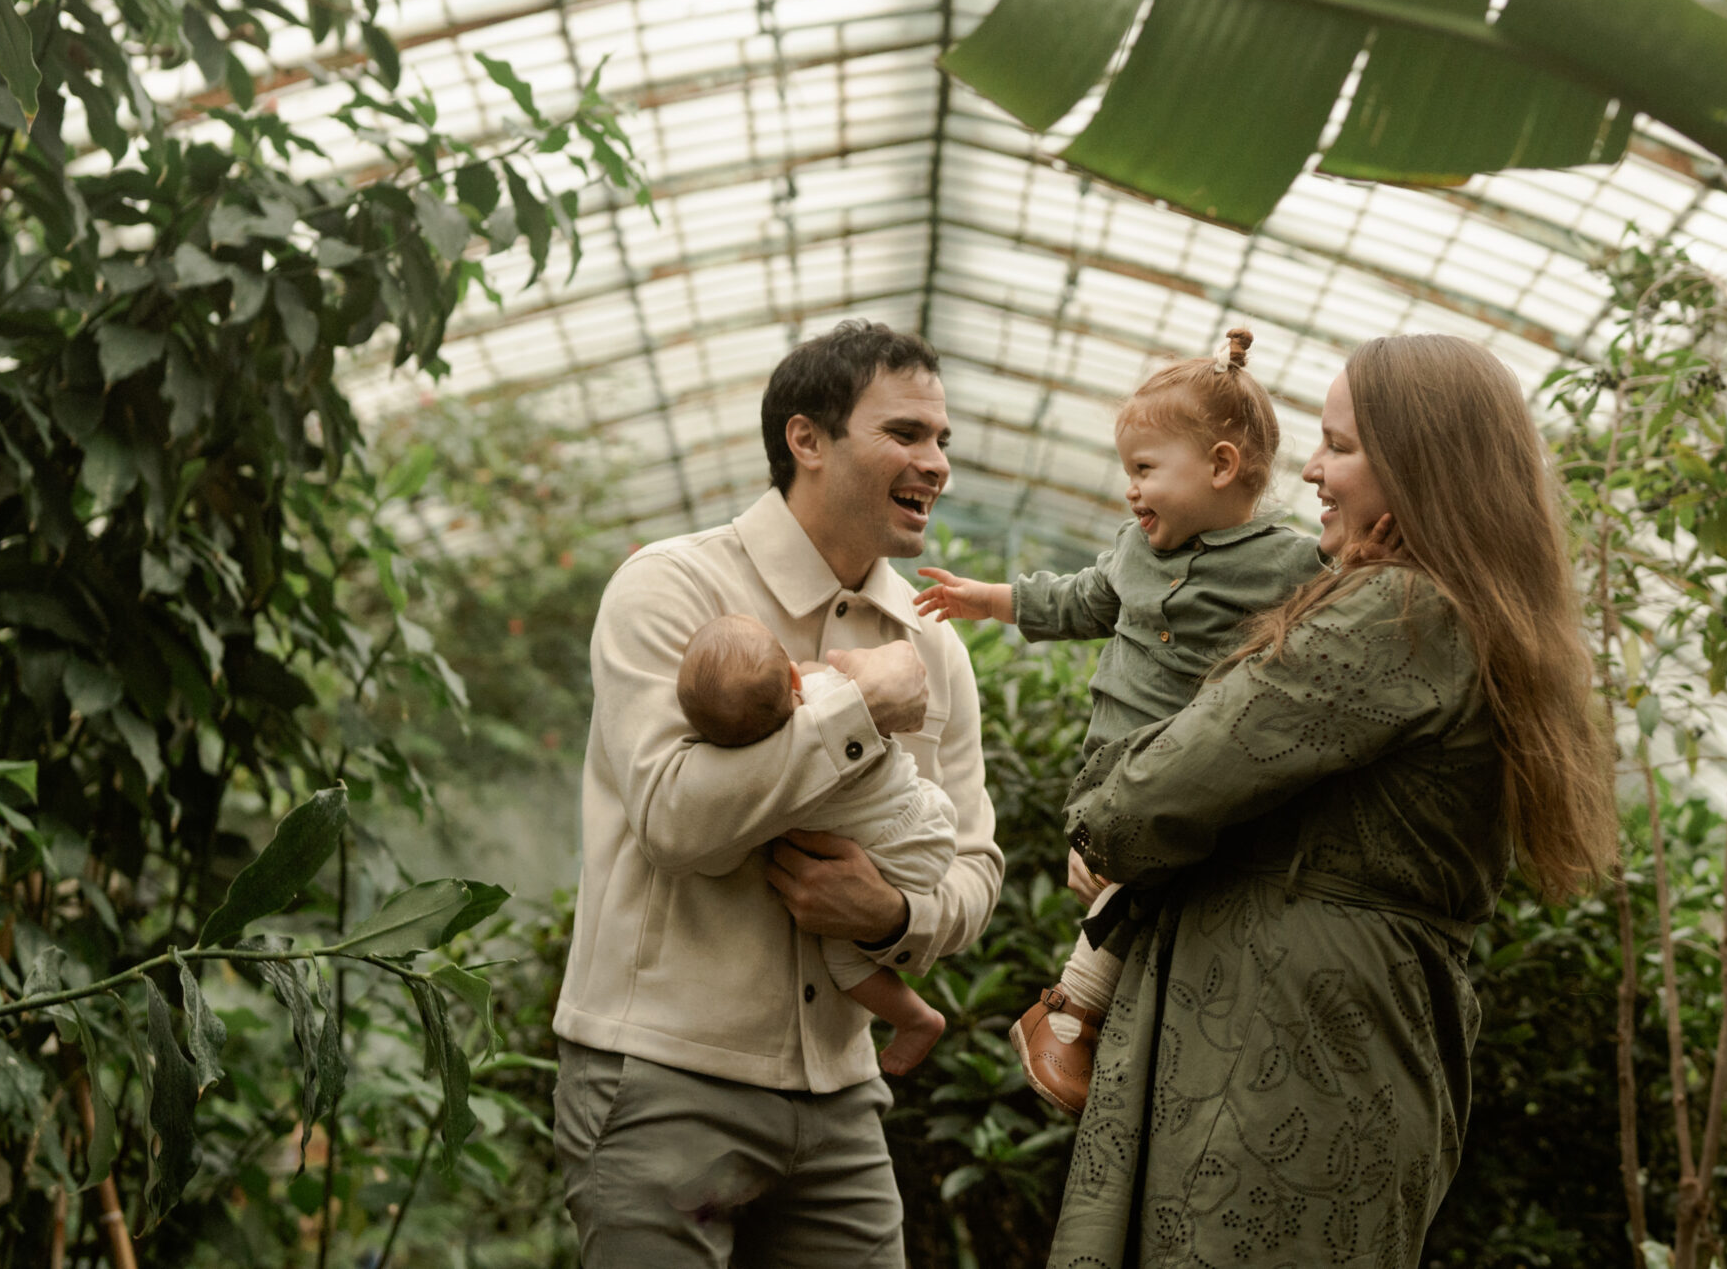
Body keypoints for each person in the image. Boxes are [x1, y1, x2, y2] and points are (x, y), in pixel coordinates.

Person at [1045, 334, 1621, 1269]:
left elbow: (1136, 804)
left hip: (1276, 1049)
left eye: (1339, 446)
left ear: (1420, 465)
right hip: (1349, 1040)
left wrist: (1106, 802)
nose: (1309, 470)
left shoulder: (1397, 612)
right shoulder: (1464, 615)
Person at [553, 321, 1002, 1268]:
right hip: (663, 1081)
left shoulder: (936, 648)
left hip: (842, 1101)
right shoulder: (668, 587)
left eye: (943, 440)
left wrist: (894, 914)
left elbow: (973, 865)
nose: (937, 463)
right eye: (907, 433)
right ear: (807, 440)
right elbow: (676, 819)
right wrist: (856, 700)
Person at [910, 329, 1321, 1113]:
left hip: (1196, 777)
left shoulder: (1290, 562)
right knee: (1130, 886)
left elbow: (1347, 607)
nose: (1130, 490)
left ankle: (1074, 1013)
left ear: (1222, 467)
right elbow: (1078, 599)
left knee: (1165, 894)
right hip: (1114, 771)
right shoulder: (1135, 549)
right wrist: (984, 598)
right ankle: (1072, 1014)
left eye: (1144, 469)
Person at [673, 612, 954, 1075]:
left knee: (841, 958)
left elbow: (717, 863)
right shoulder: (833, 698)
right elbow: (834, 677)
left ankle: (917, 1020)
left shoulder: (758, 785)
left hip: (896, 850)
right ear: (791, 674)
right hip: (923, 815)